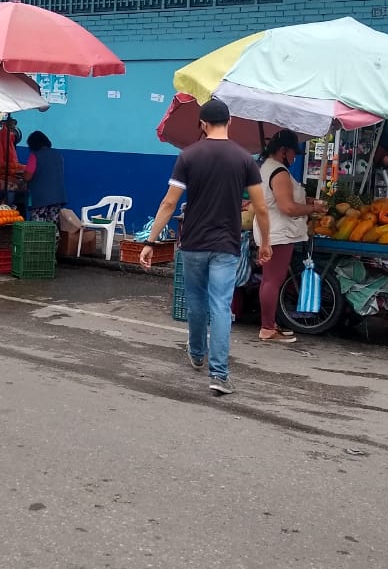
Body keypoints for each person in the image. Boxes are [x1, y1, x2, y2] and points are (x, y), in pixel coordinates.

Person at [139, 98, 272, 395]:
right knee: (221, 307)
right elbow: (261, 209)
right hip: (226, 244)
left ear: (202, 123)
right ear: (230, 122)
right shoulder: (244, 159)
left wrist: (150, 241)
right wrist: (266, 243)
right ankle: (219, 375)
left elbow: (169, 202)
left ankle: (197, 354)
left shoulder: (188, 156)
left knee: (197, 303)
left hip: (194, 243)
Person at [254, 128, 326, 345]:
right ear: (283, 151)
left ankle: (270, 325)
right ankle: (267, 328)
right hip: (279, 233)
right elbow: (288, 207)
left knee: (270, 280)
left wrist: (308, 203)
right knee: (272, 280)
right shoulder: (279, 173)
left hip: (270, 230)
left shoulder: (266, 167)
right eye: (293, 152)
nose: (295, 157)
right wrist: (313, 209)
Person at [22, 130, 66, 223]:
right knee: (52, 226)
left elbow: (27, 177)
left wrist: (22, 174)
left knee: (39, 228)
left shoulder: (35, 156)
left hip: (41, 199)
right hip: (57, 197)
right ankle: (54, 238)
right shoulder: (57, 155)